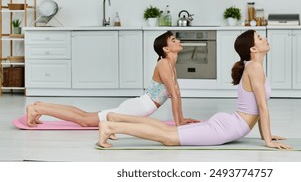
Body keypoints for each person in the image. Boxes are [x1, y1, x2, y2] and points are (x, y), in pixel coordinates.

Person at [97, 30, 292, 150]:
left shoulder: (253, 67)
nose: (264, 38)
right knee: (169, 138)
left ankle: (115, 118)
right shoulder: (255, 68)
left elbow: (257, 109)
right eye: (259, 37)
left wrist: (266, 135)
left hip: (230, 123)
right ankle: (112, 126)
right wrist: (268, 140)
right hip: (229, 127)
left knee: (169, 131)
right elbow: (261, 107)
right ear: (253, 49)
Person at [26, 31, 198, 127]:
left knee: (86, 115)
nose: (179, 41)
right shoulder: (164, 65)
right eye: (174, 40)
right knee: (85, 120)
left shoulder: (169, 64)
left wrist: (181, 120)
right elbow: (174, 96)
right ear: (166, 49)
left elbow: (177, 94)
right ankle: (37, 109)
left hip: (139, 106)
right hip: (138, 108)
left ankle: (40, 106)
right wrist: (178, 123)